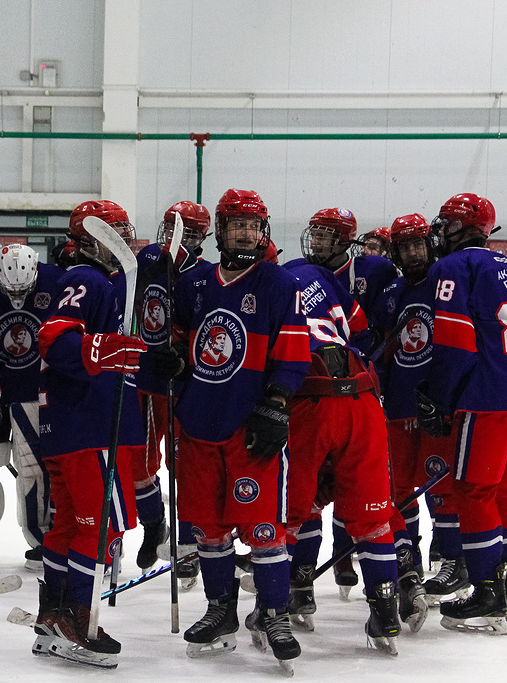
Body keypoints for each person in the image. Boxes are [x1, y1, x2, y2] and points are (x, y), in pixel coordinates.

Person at [154, 189, 310, 672]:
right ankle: (221, 608)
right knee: (209, 528)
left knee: (264, 528)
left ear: (263, 231)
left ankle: (273, 612)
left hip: (249, 428)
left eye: (252, 224)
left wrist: (277, 404)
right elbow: (178, 335)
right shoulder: (198, 283)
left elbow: (292, 348)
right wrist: (172, 356)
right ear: (219, 232)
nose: (244, 231)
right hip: (198, 424)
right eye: (235, 224)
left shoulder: (278, 284)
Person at [416, 193, 507, 634]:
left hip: (488, 395)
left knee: (472, 491)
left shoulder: (452, 267)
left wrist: (439, 395)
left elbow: (454, 341)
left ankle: (487, 592)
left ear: (459, 228)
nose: (440, 233)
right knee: (504, 490)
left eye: (445, 225)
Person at [32, 199, 146, 669]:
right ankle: (80, 617)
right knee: (98, 526)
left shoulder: (104, 281)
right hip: (89, 423)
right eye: (110, 232)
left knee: (69, 525)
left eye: (122, 231)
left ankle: (52, 615)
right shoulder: (87, 278)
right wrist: (116, 349)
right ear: (89, 240)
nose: (119, 241)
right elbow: (57, 343)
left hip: (71, 424)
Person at [283, 248, 402, 655]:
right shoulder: (325, 280)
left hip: (309, 399)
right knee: (373, 520)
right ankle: (386, 613)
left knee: (293, 509)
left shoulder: (269, 286)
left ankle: (282, 598)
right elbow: (362, 331)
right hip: (363, 397)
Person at [368, 213, 458, 631]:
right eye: (406, 247)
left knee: (441, 486)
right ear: (397, 253)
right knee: (399, 493)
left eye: (419, 244)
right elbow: (382, 348)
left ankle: (455, 562)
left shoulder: (446, 283)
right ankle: (409, 568)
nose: (414, 253)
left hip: (439, 407)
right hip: (399, 408)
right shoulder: (393, 293)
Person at [0, 243, 62, 571]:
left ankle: (44, 540)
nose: (17, 297)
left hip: (32, 391)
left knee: (33, 467)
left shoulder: (57, 280)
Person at [132, 200, 212, 575]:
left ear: (203, 238)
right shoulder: (147, 258)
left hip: (185, 385)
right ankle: (153, 525)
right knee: (138, 463)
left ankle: (187, 545)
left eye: (192, 232)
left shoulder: (205, 276)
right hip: (144, 377)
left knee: (183, 468)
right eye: (173, 226)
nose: (178, 236)